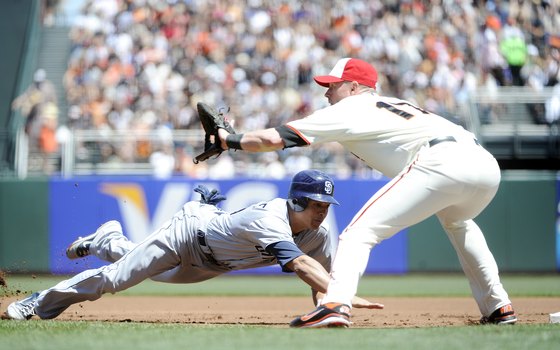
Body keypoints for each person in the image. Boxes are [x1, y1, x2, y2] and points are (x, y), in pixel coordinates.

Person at [215, 57, 516, 328]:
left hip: (442, 160)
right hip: (485, 165)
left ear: (354, 87)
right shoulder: (396, 105)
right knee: (458, 223)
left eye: (333, 86)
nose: (327, 93)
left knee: (358, 233)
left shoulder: (352, 107)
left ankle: (335, 304)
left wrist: (229, 139)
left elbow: (272, 139)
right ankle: (498, 306)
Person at [2, 170, 382, 321]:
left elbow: (321, 279)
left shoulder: (319, 235)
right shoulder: (271, 218)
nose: (321, 213)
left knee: (152, 272)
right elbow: (301, 267)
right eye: (316, 205)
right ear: (298, 202)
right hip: (186, 233)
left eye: (326, 206)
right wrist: (341, 293)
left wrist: (332, 307)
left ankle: (107, 240)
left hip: (209, 264)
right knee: (116, 280)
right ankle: (35, 303)